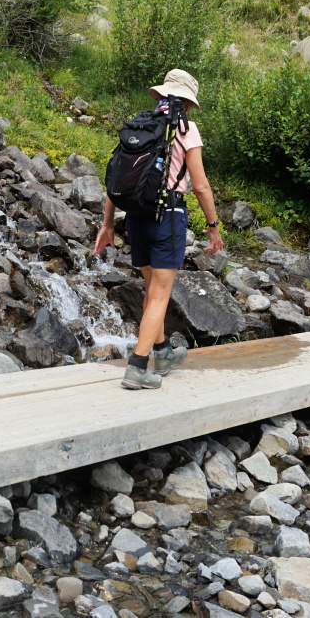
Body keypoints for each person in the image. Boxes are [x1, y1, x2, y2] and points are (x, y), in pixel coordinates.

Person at [93, 69, 224, 389]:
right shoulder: (185, 128)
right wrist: (213, 226)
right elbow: (202, 186)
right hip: (167, 218)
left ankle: (164, 353)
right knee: (160, 293)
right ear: (188, 103)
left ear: (163, 95)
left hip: (135, 216)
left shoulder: (139, 125)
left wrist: (108, 224)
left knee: (153, 290)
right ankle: (137, 367)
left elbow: (117, 178)